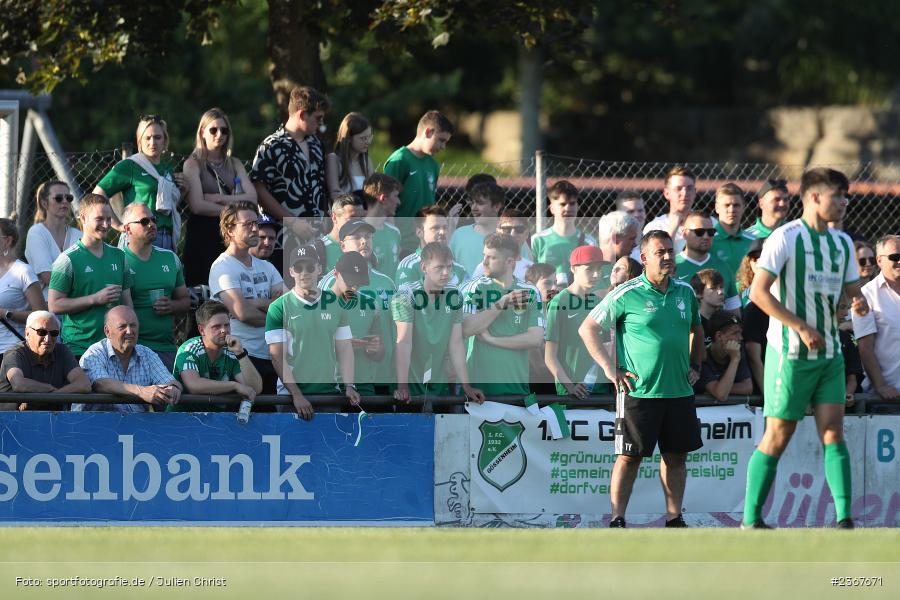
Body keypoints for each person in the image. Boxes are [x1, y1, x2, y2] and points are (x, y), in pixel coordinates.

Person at [742, 167, 868, 530]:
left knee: (833, 432)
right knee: (778, 435)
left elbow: (853, 290)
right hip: (790, 355)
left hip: (829, 354)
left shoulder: (841, 243)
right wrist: (799, 326)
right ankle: (751, 520)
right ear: (814, 197)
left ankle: (844, 519)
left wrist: (858, 301)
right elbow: (758, 293)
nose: (844, 202)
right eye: (837, 195)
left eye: (845, 196)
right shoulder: (785, 238)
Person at [579, 230, 704, 528]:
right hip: (638, 392)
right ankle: (617, 519)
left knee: (676, 458)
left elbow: (696, 329)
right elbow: (588, 328)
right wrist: (610, 369)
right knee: (629, 458)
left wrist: (696, 363)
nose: (668, 257)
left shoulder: (685, 291)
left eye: (670, 251)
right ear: (644, 258)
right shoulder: (626, 292)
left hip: (679, 392)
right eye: (660, 252)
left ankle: (674, 518)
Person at [265, 243, 361, 420]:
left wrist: (349, 385)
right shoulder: (278, 307)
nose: (304, 272)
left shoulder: (336, 303)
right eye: (298, 268)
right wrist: (296, 395)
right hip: (290, 397)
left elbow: (345, 348)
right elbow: (277, 357)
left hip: (329, 393)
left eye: (309, 267)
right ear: (291, 271)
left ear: (319, 269)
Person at [392, 242, 484, 403]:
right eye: (439, 268)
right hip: (408, 386)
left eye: (449, 267)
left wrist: (466, 386)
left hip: (439, 385)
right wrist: (402, 386)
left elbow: (456, 343)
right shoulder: (405, 296)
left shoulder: (455, 295)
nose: (446, 273)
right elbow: (404, 342)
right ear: (424, 268)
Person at [209, 201, 285, 395]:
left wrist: (257, 303)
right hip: (240, 356)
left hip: (271, 355)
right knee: (245, 411)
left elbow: (288, 306)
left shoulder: (267, 266)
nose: (254, 229)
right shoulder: (222, 267)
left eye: (256, 223)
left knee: (269, 412)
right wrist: (271, 308)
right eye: (248, 224)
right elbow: (243, 313)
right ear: (230, 230)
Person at [48, 194, 134, 359]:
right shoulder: (67, 259)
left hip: (115, 347)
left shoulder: (119, 256)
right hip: (79, 348)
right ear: (83, 218)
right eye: (99, 219)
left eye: (108, 219)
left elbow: (127, 302)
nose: (106, 225)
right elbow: (54, 305)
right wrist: (95, 299)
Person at [181, 107, 258, 287]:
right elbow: (197, 206)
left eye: (224, 130)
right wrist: (235, 210)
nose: (219, 135)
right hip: (203, 234)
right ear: (202, 132)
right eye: (213, 130)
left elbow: (252, 198)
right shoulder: (192, 164)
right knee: (203, 288)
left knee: (233, 285)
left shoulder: (235, 163)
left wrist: (218, 198)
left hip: (232, 234)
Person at [460, 234, 544, 398]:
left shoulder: (530, 291)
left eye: (491, 257)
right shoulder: (475, 287)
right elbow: (466, 329)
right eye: (484, 255)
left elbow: (535, 339)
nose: (484, 262)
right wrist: (502, 303)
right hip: (478, 393)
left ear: (510, 262)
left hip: (517, 389)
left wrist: (492, 340)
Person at [250, 86, 331, 248]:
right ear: (302, 114)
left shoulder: (317, 144)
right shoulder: (271, 145)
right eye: (318, 118)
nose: (321, 124)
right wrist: (292, 222)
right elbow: (258, 189)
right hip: (283, 239)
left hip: (317, 240)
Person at [93, 115, 183, 251]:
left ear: (165, 140)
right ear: (139, 141)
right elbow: (98, 193)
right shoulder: (130, 165)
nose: (152, 142)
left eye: (157, 137)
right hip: (139, 236)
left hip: (167, 237)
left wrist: (184, 190)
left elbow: (168, 207)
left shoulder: (167, 169)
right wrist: (117, 225)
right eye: (147, 138)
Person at [122, 203, 191, 370]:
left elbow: (185, 301)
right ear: (128, 229)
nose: (151, 224)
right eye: (144, 221)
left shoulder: (170, 258)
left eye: (153, 219)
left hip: (166, 347)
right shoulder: (118, 261)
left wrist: (172, 305)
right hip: (131, 348)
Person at [77, 306, 182, 412]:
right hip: (97, 421)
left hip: (138, 421)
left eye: (133, 325)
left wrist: (173, 388)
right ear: (107, 331)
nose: (129, 331)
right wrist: (142, 391)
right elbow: (101, 384)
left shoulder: (147, 354)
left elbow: (169, 381)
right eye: (122, 327)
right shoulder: (94, 353)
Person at [319, 248, 394, 396]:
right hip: (329, 386)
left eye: (359, 283)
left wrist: (374, 349)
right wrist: (342, 346)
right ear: (336, 274)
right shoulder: (318, 305)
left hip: (364, 385)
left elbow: (380, 354)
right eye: (350, 282)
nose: (354, 287)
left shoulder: (371, 305)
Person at [169, 300, 262, 413]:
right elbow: (194, 385)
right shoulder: (190, 349)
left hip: (216, 420)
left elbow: (255, 388)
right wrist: (234, 385)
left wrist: (240, 352)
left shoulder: (232, 351)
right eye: (216, 327)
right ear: (202, 330)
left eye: (227, 325)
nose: (224, 330)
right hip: (182, 418)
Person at [384, 110, 454, 255]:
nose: (443, 146)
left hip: (426, 243)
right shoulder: (399, 160)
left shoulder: (433, 165)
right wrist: (393, 240)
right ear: (428, 132)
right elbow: (386, 206)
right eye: (441, 140)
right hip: (403, 244)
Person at [545, 246, 611, 399]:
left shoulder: (601, 303)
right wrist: (570, 386)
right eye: (589, 269)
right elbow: (549, 357)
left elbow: (607, 348)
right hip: (571, 396)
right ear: (573, 269)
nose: (596, 274)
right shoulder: (558, 302)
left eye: (599, 269)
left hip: (601, 392)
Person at [0, 311, 91, 411]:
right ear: (27, 333)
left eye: (54, 333)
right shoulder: (14, 353)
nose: (48, 339)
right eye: (41, 332)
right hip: (12, 418)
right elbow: (19, 384)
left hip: (53, 418)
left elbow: (84, 384)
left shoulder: (62, 351)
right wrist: (49, 388)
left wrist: (51, 396)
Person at [852, 235, 900, 403]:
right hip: (888, 398)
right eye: (895, 257)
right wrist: (881, 386)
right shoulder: (866, 295)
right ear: (879, 260)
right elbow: (865, 348)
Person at [531, 180, 598, 285]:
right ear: (552, 208)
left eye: (572, 204)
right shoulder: (537, 240)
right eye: (562, 204)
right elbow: (530, 278)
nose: (568, 208)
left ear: (577, 206)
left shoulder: (589, 243)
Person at [25, 180, 81, 298]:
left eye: (69, 198)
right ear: (44, 203)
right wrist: (82, 281)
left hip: (79, 300)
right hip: (47, 303)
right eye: (58, 198)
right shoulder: (36, 232)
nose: (65, 201)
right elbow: (47, 276)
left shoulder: (78, 234)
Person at [674, 211, 741, 312]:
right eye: (699, 232)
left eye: (710, 232)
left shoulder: (723, 267)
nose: (706, 236)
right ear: (685, 234)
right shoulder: (672, 266)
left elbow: (733, 309)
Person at [0, 219, 46, 356]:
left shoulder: (23, 271)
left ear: (7, 241)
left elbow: (41, 315)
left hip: (12, 351)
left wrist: (5, 313)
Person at [396, 206, 468, 287]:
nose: (442, 232)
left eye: (445, 227)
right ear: (419, 232)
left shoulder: (459, 269)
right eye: (435, 228)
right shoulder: (409, 267)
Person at [694, 311, 753, 402]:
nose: (741, 338)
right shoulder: (703, 358)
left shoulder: (738, 350)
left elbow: (748, 387)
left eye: (740, 333)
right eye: (735, 333)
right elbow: (721, 395)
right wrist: (734, 360)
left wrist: (720, 388)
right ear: (719, 336)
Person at [450, 181, 505, 275]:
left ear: (496, 206)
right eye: (472, 203)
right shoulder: (459, 235)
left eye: (480, 203)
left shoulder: (512, 237)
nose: (474, 208)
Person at [737, 240, 768, 396]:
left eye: (764, 256)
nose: (759, 261)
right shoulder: (751, 307)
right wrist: (769, 396)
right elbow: (753, 354)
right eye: (754, 258)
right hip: (764, 384)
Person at [643, 166, 697, 253]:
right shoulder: (655, 227)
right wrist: (672, 230)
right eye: (678, 189)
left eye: (689, 188)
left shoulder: (710, 224)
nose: (685, 193)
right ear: (667, 193)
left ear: (695, 192)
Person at [472, 209, 534, 280]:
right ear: (498, 232)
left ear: (526, 234)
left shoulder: (532, 269)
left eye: (519, 229)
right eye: (507, 229)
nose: (513, 234)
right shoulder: (484, 268)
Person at [362, 174, 403, 281]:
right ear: (383, 198)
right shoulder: (358, 233)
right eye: (395, 196)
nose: (399, 202)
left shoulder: (395, 232)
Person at [326, 112, 375, 199]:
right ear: (348, 138)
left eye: (369, 137)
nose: (368, 142)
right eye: (363, 138)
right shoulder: (334, 159)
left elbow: (374, 193)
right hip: (343, 207)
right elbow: (334, 193)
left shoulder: (366, 161)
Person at [712, 183, 756, 279]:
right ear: (717, 208)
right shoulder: (707, 240)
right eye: (727, 205)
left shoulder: (754, 242)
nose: (731, 210)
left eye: (736, 205)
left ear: (743, 207)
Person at [321, 193, 367, 272]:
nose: (358, 223)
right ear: (334, 218)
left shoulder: (366, 246)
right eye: (352, 218)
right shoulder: (319, 250)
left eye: (361, 218)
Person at [596, 211, 639, 289]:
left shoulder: (633, 267)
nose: (635, 244)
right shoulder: (589, 271)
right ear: (615, 238)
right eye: (631, 239)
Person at [690, 268, 727, 345]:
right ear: (698, 293)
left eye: (721, 287)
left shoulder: (728, 321)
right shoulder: (692, 323)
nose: (720, 292)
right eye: (713, 288)